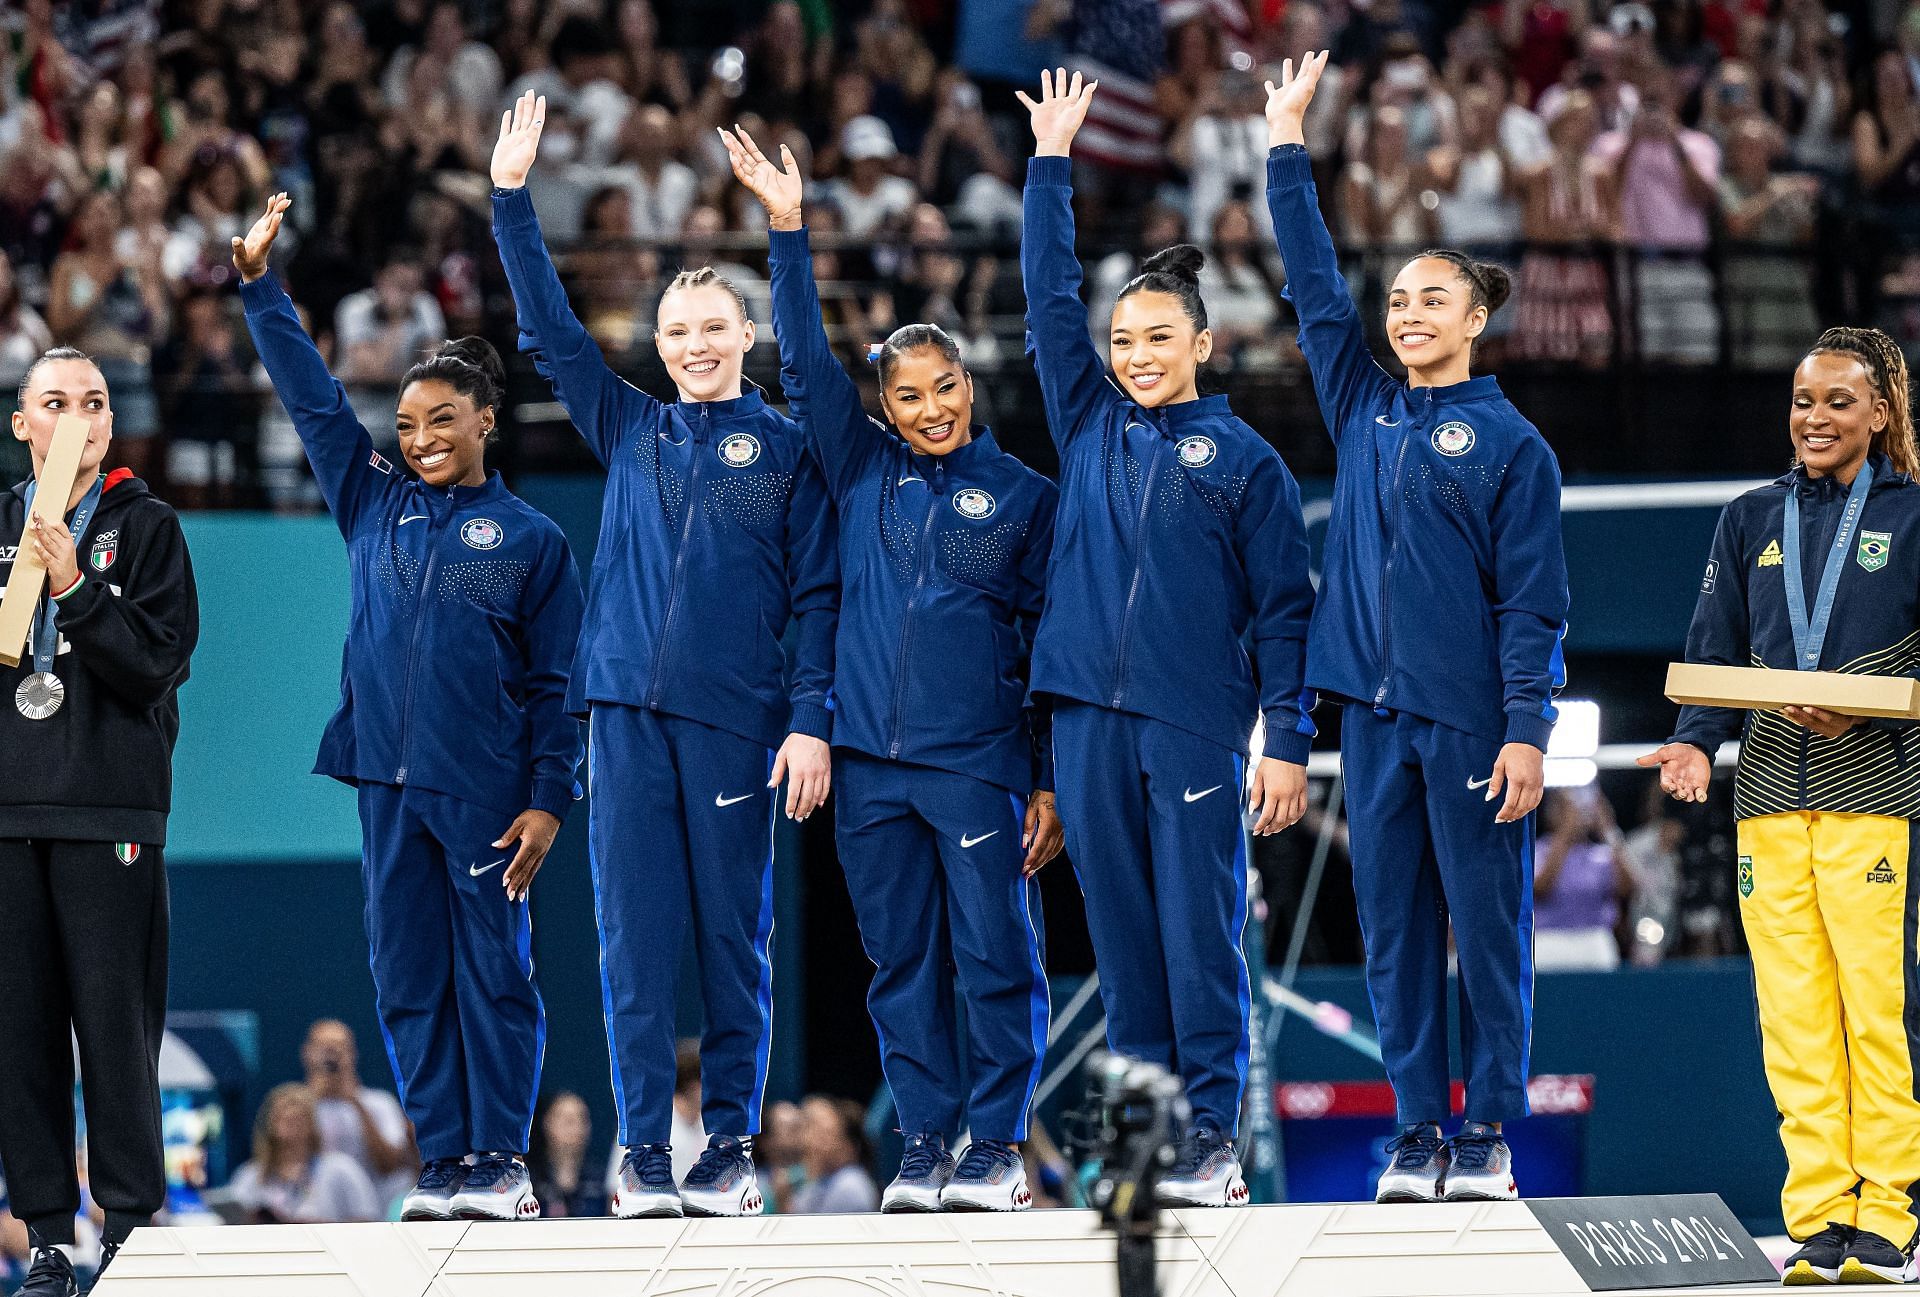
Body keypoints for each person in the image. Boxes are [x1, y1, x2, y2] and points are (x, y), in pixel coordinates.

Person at [490, 92, 837, 1220]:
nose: (692, 345)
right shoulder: (629, 427)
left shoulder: (787, 450)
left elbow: (823, 595)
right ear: (658, 344)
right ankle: (646, 1150)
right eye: (676, 331)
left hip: (738, 723)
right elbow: (544, 333)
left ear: (746, 335)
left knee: (734, 944)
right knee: (634, 950)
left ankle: (728, 1142)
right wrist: (510, 200)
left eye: (712, 327)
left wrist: (809, 715)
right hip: (623, 722)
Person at [728, 125, 1062, 1213]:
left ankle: (999, 1145)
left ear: (968, 383)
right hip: (869, 767)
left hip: (977, 767)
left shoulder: (1022, 499)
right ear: (883, 406)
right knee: (902, 966)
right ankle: (925, 1145)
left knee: (993, 960)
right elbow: (805, 356)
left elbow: (1046, 649)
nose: (928, 408)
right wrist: (789, 227)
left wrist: (1046, 774)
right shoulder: (860, 465)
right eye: (907, 395)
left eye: (943, 387)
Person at [236, 193, 585, 1224]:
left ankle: (501, 1163)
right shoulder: (372, 499)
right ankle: (441, 1164)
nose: (422, 437)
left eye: (443, 419)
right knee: (406, 979)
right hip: (383, 782)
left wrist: (549, 799)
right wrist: (260, 289)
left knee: (495, 978)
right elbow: (310, 402)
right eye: (407, 423)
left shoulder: (532, 541)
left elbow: (558, 689)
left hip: (486, 793)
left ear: (486, 419)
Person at [1264, 52, 1569, 1204]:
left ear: (1477, 316)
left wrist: (1526, 728)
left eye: (1430, 299)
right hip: (1372, 722)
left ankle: (1487, 1127)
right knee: (1392, 939)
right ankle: (1415, 1129)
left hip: (1472, 727)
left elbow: (1535, 602)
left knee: (1486, 934)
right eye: (1397, 300)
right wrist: (1288, 146)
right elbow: (1310, 286)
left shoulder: (1512, 445)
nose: (1404, 314)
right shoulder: (1364, 405)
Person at [1020, 70, 1317, 1208]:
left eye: (1158, 338)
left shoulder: (1247, 463)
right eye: (1123, 339)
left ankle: (1212, 1142)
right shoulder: (1088, 420)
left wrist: (1283, 741)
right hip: (1085, 722)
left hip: (1193, 728)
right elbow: (1049, 298)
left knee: (1200, 940)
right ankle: (1148, 1141)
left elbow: (1288, 614)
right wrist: (1052, 164)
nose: (1135, 354)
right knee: (1125, 944)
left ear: (1204, 341)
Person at [1640, 327, 1920, 1286]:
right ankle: (1820, 1219)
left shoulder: (1915, 517)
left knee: (1879, 1013)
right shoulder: (1749, 515)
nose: (1816, 418)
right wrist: (1691, 735)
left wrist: (1862, 704)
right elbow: (1714, 646)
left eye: (1839, 402)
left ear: (1880, 413)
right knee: (1793, 1018)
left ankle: (1893, 1214)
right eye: (1804, 400)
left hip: (1877, 795)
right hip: (1766, 797)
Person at [0, 345, 199, 1297]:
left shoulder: (148, 527)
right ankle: (44, 1237)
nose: (76, 414)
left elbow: (156, 664)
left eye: (94, 401)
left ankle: (128, 1234)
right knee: (17, 1031)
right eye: (54, 400)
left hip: (110, 804)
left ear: (110, 426)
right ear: (23, 425)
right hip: (5, 813)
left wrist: (76, 584)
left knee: (115, 1030)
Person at [299, 1020, 415, 1211]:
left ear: (352, 1053)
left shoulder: (379, 1103)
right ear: (307, 1053)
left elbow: (392, 1165)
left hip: (375, 1213)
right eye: (324, 1048)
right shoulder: (295, 1108)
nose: (331, 1055)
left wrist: (354, 1102)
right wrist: (312, 1100)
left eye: (338, 1048)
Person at [227, 1085, 383, 1225]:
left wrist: (322, 1228)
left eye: (298, 1119)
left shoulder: (340, 1169)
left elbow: (369, 1218)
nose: (291, 1126)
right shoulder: (250, 1177)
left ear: (312, 1125)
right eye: (283, 1119)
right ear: (271, 1125)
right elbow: (229, 1220)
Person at [1533, 788, 1634, 970]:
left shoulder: (1601, 855)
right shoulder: (1539, 850)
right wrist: (1566, 831)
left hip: (1594, 940)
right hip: (1549, 940)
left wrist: (1608, 829)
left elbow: (1627, 889)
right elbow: (1540, 888)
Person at [787, 1097, 880, 1215]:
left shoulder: (849, 1185)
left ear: (849, 1146)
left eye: (827, 1136)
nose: (810, 1142)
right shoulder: (821, 1182)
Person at [528, 1092, 608, 1219]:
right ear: (546, 1123)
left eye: (580, 1118)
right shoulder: (527, 1183)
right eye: (564, 1118)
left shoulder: (603, 1182)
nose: (572, 1126)